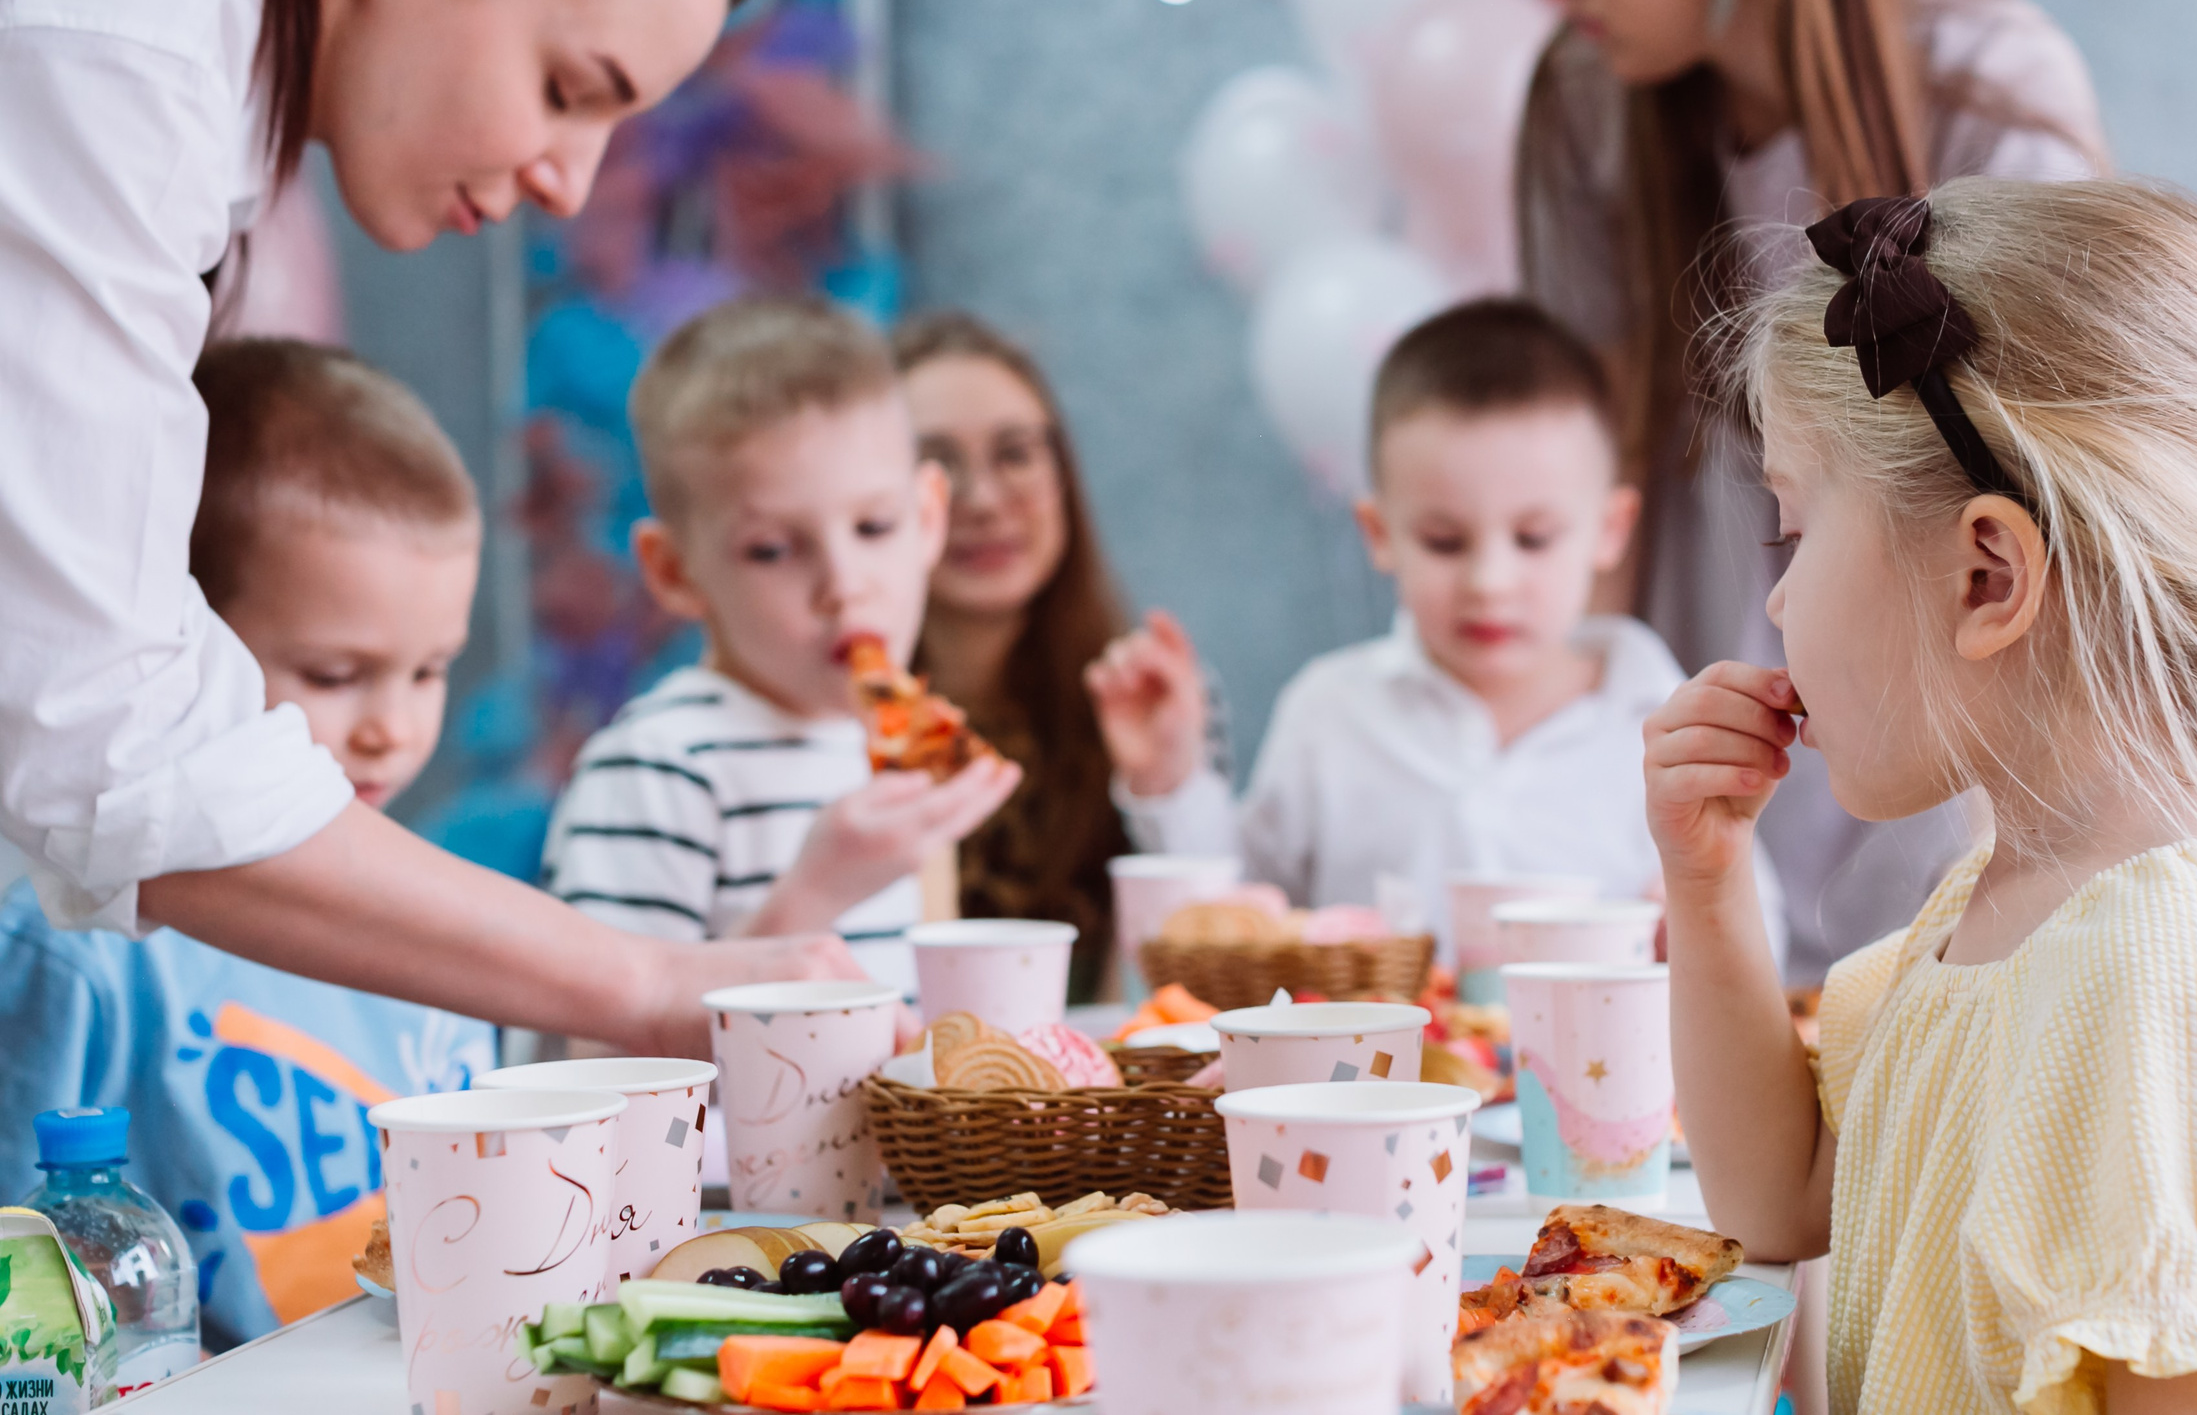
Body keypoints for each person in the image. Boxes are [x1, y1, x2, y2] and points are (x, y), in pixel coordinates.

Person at [0, 0, 862, 1055]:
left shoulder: (186, 63)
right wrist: (639, 982)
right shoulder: (124, 21)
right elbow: (105, 738)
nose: (565, 183)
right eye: (571, 87)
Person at [1648, 180, 2197, 1413]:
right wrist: (1706, 885)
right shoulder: (2012, 899)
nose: (1780, 605)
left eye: (1792, 531)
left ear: (1986, 575)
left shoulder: (2165, 981)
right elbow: (1777, 1199)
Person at [1514, 0, 2110, 980]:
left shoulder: (1988, 88)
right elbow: (1586, 479)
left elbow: (2053, 499)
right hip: (1693, 788)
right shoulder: (1585, 113)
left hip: (1948, 800)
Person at [0, 340, 498, 1349]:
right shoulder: (75, 951)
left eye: (428, 670)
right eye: (333, 671)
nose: (389, 729)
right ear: (175, 657)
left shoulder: (444, 922)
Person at [1088, 300, 1785, 961]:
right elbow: (1235, 919)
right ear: (1379, 532)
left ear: (1608, 531)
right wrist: (1168, 778)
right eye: (1445, 541)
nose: (1489, 581)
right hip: (1369, 1083)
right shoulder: (1331, 713)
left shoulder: (1665, 721)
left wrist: (1701, 916)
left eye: (1534, 537)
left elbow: (1767, 943)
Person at [541, 298, 1020, 990]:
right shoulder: (657, 767)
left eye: (875, 526)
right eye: (771, 549)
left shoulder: (897, 751)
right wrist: (814, 895)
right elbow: (607, 1062)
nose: (843, 585)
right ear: (675, 571)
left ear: (927, 517)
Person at [895, 313, 1150, 1003]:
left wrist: (1167, 785)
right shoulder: (836, 730)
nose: (982, 499)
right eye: (937, 463)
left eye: (1014, 453)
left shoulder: (1145, 701)